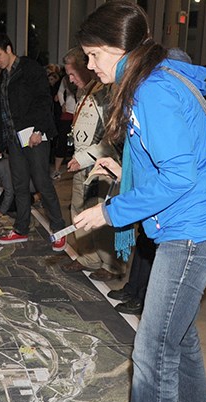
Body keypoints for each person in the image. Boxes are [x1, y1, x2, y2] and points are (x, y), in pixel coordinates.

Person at [73, 3, 206, 402]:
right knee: (177, 333)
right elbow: (180, 159)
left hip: (194, 230)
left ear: (112, 49)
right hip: (194, 224)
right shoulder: (155, 79)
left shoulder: (153, 90)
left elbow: (181, 176)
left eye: (91, 55)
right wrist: (125, 175)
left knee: (151, 353)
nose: (90, 66)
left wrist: (109, 211)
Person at [0, 33, 67, 252]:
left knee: (42, 182)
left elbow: (43, 101)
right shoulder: (3, 79)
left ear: (9, 49)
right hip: (14, 139)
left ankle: (59, 229)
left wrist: (39, 131)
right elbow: (3, 115)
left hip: (34, 137)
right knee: (19, 185)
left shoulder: (30, 69)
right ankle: (21, 229)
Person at [59, 47, 124, 282]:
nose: (71, 79)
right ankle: (89, 256)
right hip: (82, 162)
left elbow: (111, 136)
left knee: (102, 214)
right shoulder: (84, 93)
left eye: (73, 74)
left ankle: (111, 264)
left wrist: (85, 158)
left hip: (103, 164)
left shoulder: (106, 93)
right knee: (79, 210)